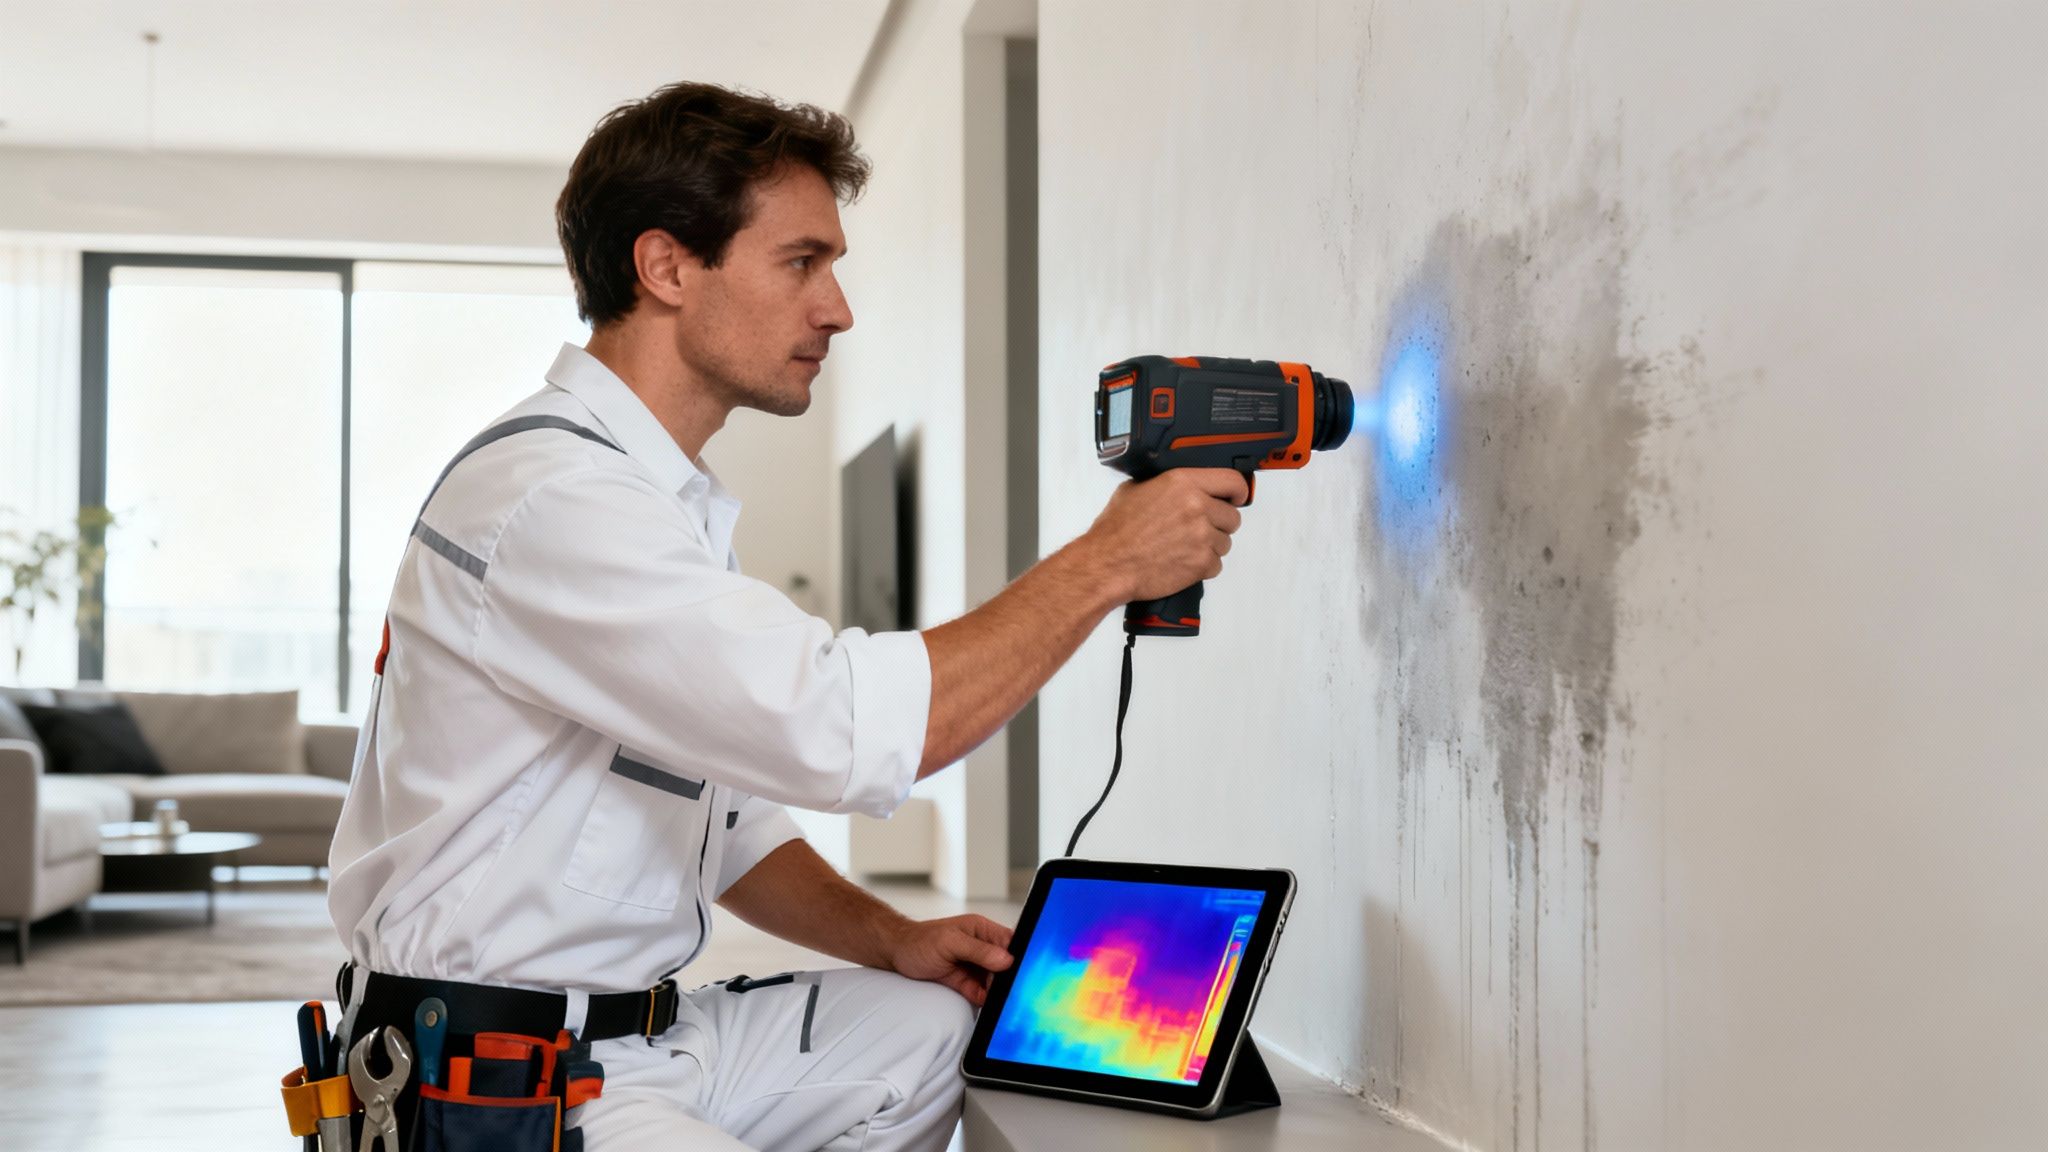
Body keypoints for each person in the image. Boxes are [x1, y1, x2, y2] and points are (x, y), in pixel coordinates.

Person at [327, 80, 1248, 1152]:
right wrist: (1105, 564)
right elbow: (834, 729)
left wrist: (891, 936)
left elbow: (720, 822)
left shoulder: (650, 499)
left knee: (930, 1023)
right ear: (668, 267)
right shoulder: (557, 500)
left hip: (638, 1045)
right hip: (486, 1083)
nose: (836, 308)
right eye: (801, 262)